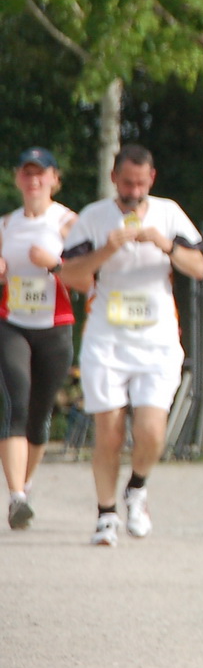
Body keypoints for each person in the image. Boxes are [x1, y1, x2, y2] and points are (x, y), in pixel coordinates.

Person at [60, 144, 203, 546]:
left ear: (151, 180)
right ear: (114, 178)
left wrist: (165, 244)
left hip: (157, 341)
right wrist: (109, 248)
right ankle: (106, 514)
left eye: (141, 184)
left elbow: (200, 267)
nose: (134, 191)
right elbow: (70, 275)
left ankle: (136, 489)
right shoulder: (92, 217)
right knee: (108, 431)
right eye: (127, 183)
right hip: (106, 339)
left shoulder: (169, 212)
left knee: (152, 433)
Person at [0, 147, 80, 529]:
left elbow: (87, 277)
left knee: (39, 415)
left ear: (54, 179)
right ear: (18, 179)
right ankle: (15, 497)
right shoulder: (5, 225)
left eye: (41, 174)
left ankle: (26, 485)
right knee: (16, 401)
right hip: (10, 322)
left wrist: (56, 264)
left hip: (55, 326)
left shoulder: (68, 223)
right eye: (27, 173)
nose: (34, 180)